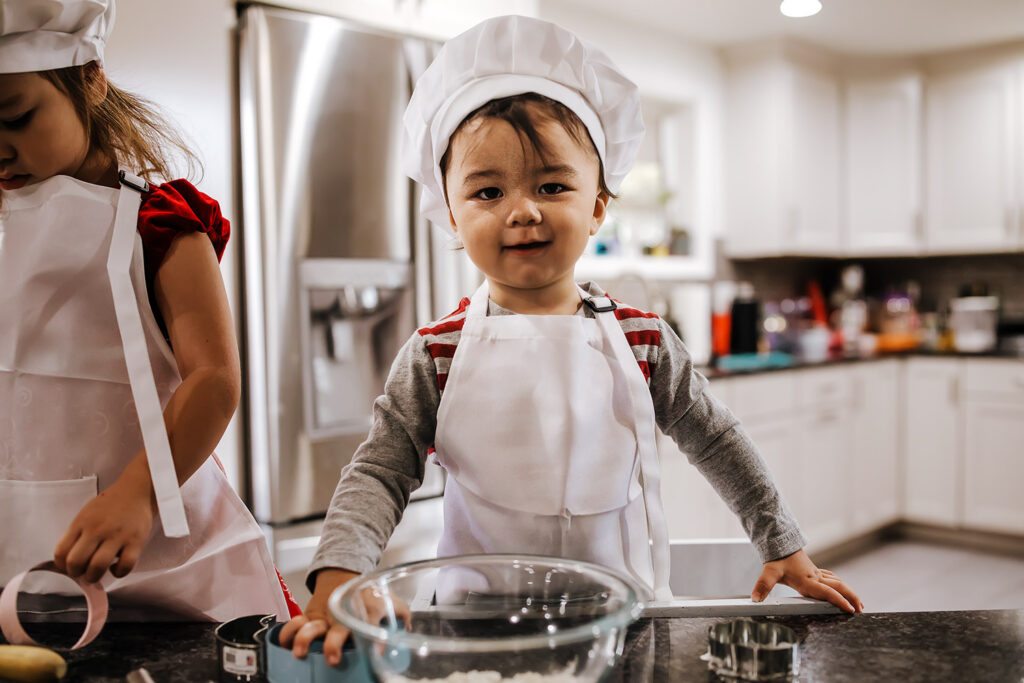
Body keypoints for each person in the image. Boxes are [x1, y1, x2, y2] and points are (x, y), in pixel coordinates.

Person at [282, 14, 862, 665]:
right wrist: (335, 575)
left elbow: (718, 439)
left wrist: (781, 542)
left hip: (624, 620)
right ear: (450, 214)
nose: (522, 209)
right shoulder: (435, 353)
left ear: (597, 206)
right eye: (488, 190)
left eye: (552, 185)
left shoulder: (644, 341)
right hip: (478, 623)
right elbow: (381, 470)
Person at [0, 0, 299, 622]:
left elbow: (214, 379)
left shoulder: (157, 223)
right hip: (20, 583)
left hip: (169, 572)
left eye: (17, 118)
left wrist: (137, 495)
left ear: (90, 78)